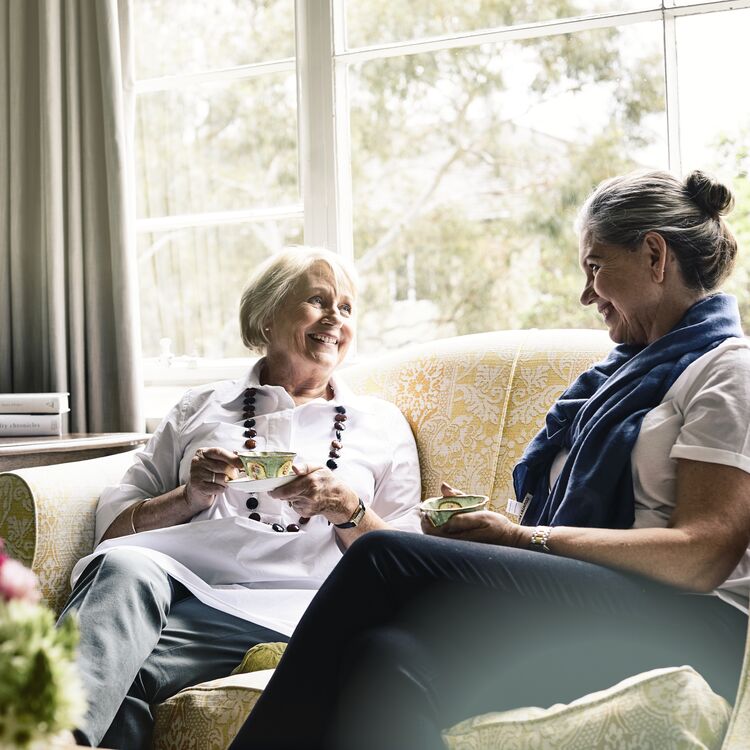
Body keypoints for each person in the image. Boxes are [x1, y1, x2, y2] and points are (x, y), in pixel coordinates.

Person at [229, 170, 750, 750]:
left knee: (380, 555)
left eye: (596, 267)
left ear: (655, 255)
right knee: (386, 658)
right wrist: (489, 533)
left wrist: (524, 540)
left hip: (691, 622)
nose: (586, 293)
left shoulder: (727, 372)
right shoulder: (614, 381)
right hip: (603, 596)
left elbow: (702, 556)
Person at [57, 246, 422, 748]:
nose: (335, 318)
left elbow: (410, 565)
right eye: (318, 301)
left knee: (117, 674)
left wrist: (347, 508)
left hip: (296, 605)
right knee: (124, 567)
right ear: (267, 317)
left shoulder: (379, 424)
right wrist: (189, 496)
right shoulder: (201, 406)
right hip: (180, 587)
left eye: (346, 307)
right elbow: (113, 530)